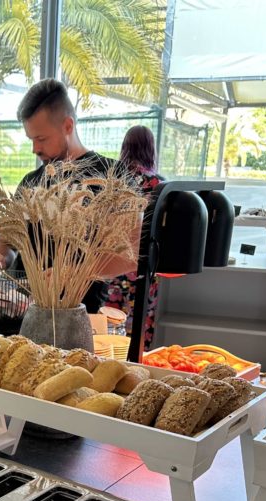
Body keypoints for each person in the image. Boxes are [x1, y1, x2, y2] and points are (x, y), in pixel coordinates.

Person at [0, 79, 134, 313]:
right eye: (31, 139)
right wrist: (0, 258)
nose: (35, 149)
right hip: (23, 315)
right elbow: (7, 243)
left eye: (41, 139)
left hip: (80, 318)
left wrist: (76, 272)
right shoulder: (30, 182)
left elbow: (129, 254)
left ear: (67, 125)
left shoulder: (112, 177)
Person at [107, 125, 166, 349]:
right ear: (151, 149)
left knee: (111, 320)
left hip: (115, 262)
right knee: (141, 319)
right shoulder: (159, 184)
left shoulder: (113, 179)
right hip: (145, 264)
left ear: (125, 147)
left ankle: (110, 358)